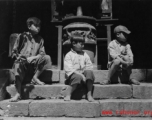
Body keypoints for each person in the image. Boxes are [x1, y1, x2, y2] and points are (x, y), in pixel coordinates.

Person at [10, 17, 52, 102]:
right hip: (22, 63)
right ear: (29, 26)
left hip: (33, 65)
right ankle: (18, 93)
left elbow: (42, 53)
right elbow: (14, 52)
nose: (38, 28)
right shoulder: (21, 36)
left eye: (39, 26)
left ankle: (35, 77)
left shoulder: (40, 39)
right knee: (18, 64)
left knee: (47, 57)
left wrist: (33, 58)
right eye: (36, 25)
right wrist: (18, 57)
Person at [64, 32, 95, 102]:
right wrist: (81, 75)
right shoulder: (69, 55)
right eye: (81, 44)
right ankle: (68, 94)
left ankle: (89, 94)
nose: (83, 46)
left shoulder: (85, 54)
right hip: (74, 76)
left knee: (89, 72)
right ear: (74, 44)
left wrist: (85, 73)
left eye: (83, 44)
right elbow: (69, 69)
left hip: (84, 76)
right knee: (77, 77)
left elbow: (89, 65)